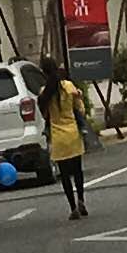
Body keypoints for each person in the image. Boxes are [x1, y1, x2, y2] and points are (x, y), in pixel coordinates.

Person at [41, 60, 92, 218]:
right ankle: (81, 199)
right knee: (77, 170)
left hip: (58, 136)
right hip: (72, 132)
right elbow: (80, 109)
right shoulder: (69, 86)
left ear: (44, 73)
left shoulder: (44, 92)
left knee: (64, 174)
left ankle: (72, 207)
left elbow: (44, 115)